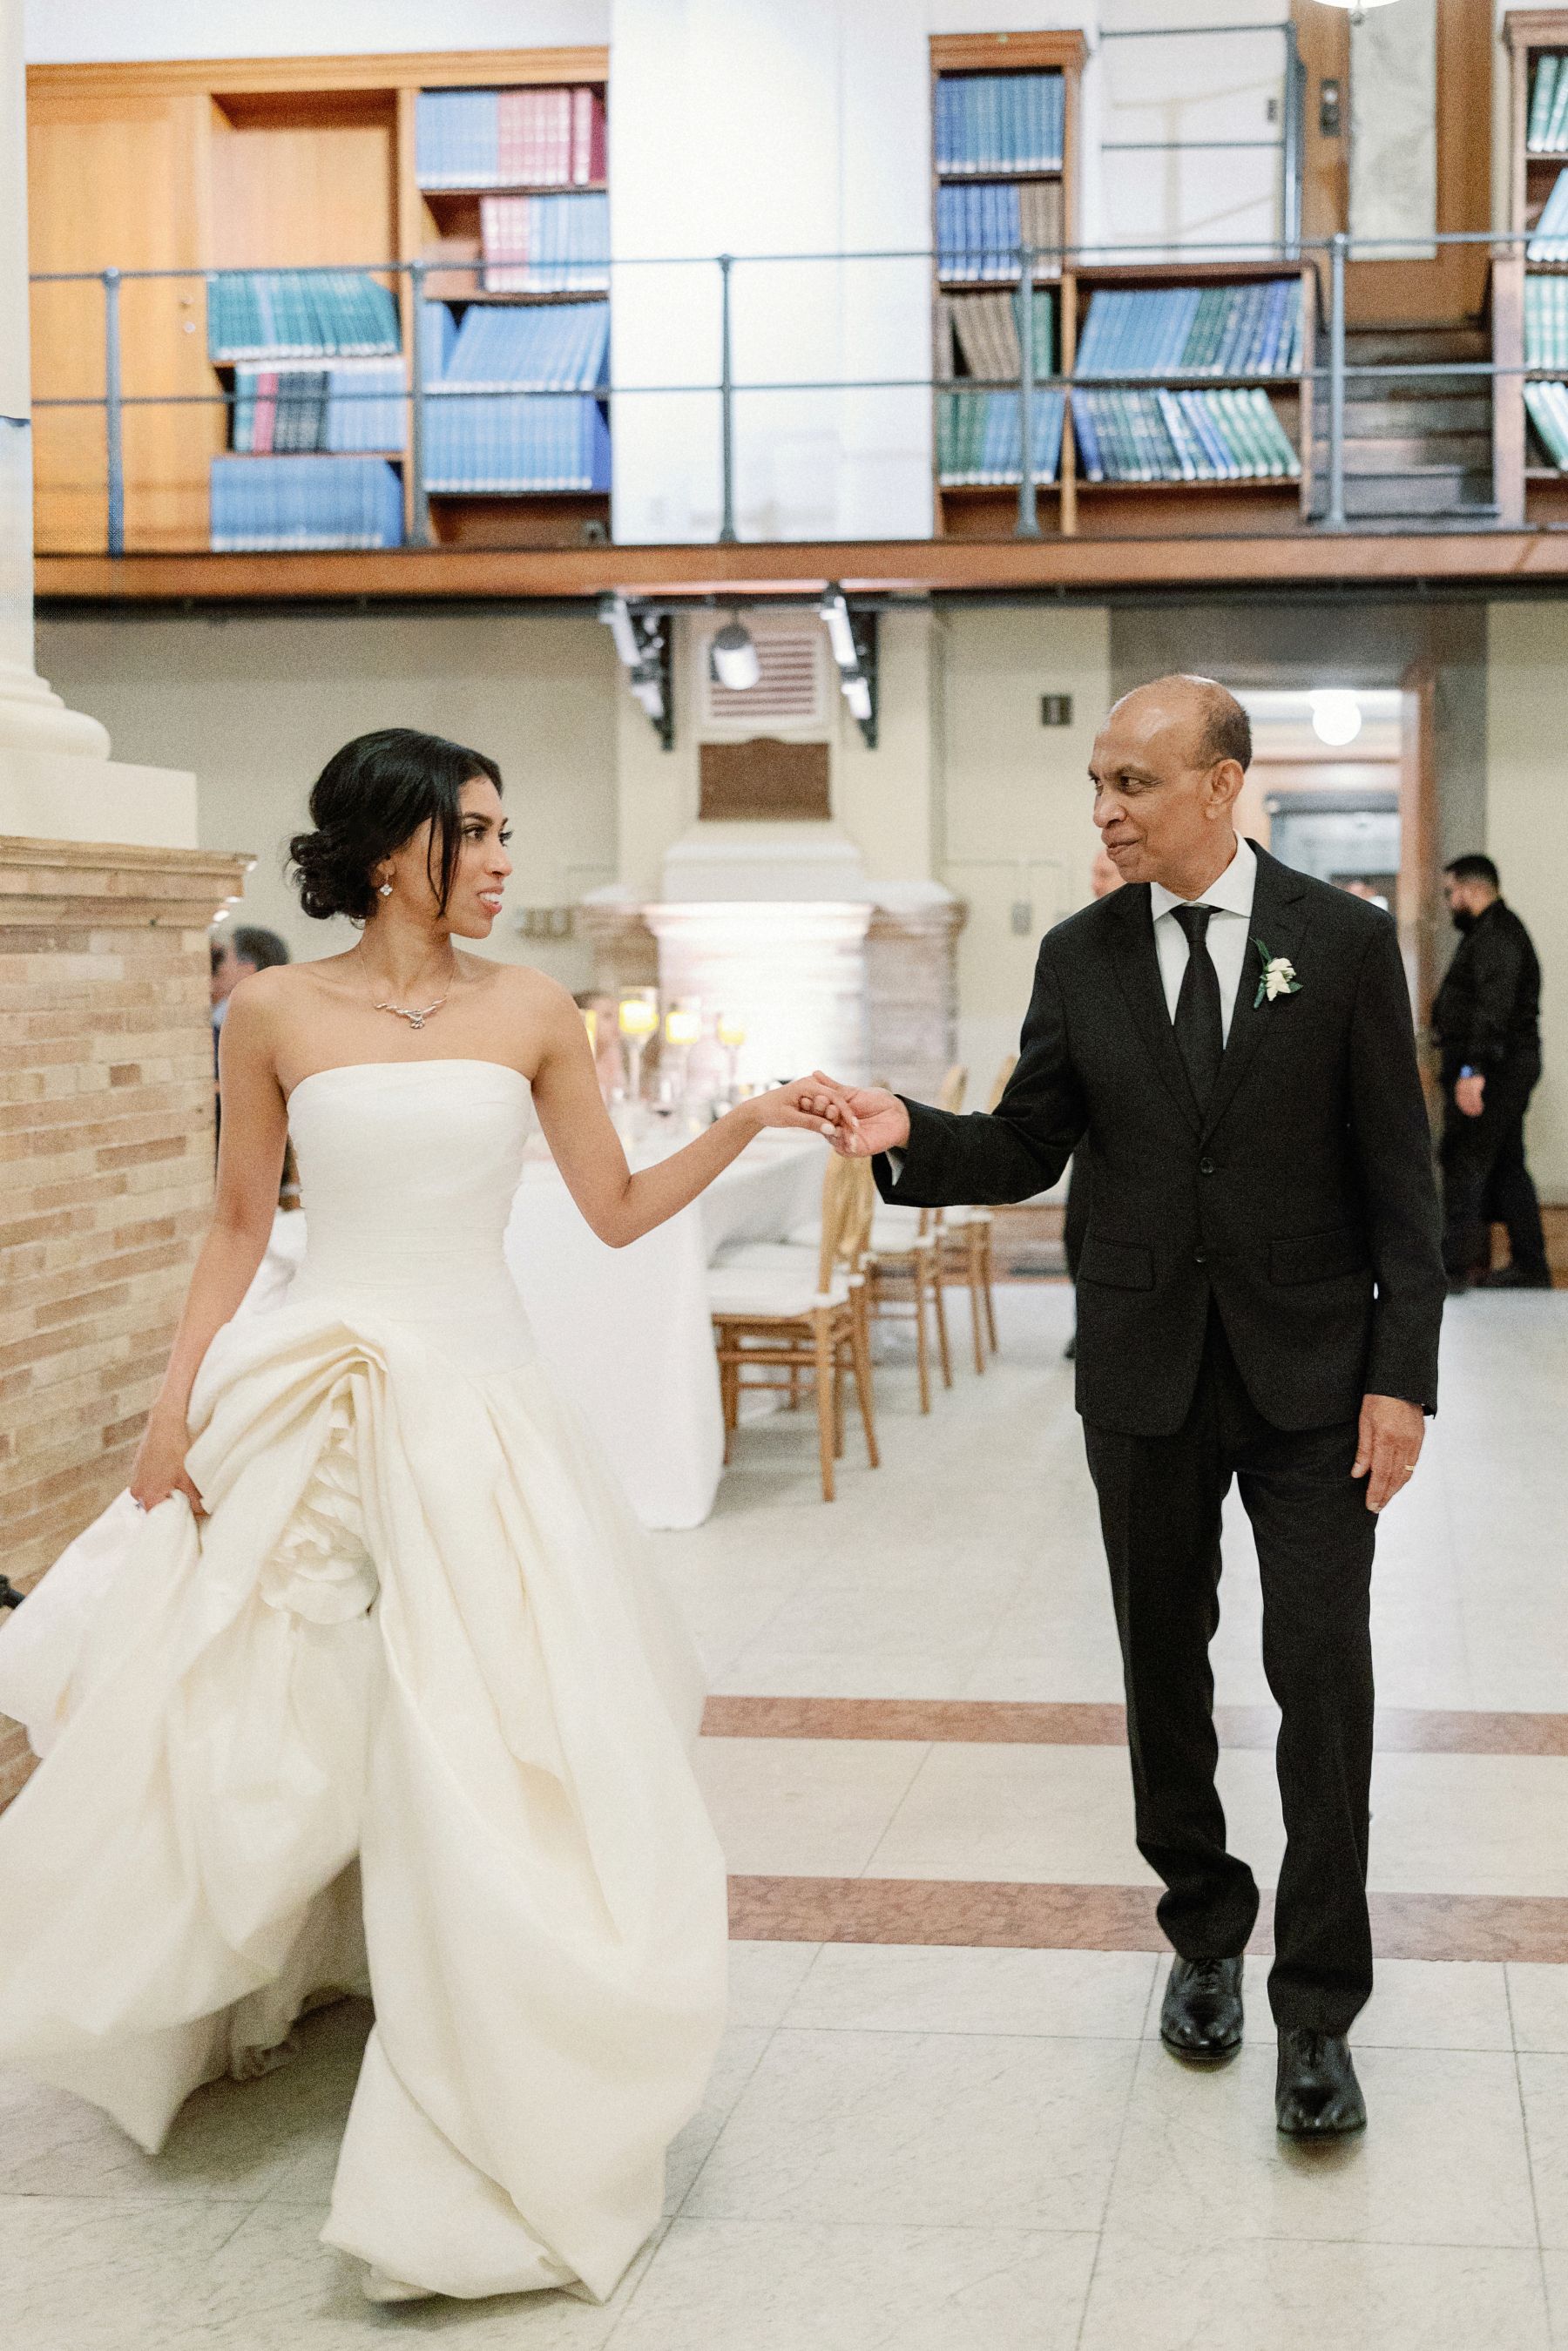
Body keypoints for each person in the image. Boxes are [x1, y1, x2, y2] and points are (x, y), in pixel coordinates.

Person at [0, 727, 843, 2308]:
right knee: (287, 1700)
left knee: (484, 1715)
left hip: (483, 1404)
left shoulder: (532, 1009)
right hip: (313, 1388)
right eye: (482, 828)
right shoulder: (270, 1007)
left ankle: (481, 2038)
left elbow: (612, 1210)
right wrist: (172, 1407)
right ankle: (277, 1966)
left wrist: (746, 1123)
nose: (509, 856)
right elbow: (243, 1220)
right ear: (397, 847)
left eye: (508, 827)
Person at [806, 676, 1445, 2140]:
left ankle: (1320, 2005)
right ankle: (1205, 1935)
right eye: (1097, 781)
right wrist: (913, 1134)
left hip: (1310, 1375)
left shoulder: (1341, 945)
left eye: (1135, 781)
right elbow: (1034, 1140)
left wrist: (1399, 1376)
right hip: (1145, 1367)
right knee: (1164, 1664)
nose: (1105, 808)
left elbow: (1401, 1184)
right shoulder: (1082, 953)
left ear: (1224, 783)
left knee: (1322, 1679)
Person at [1432, 854, 1549, 1292]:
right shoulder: (1491, 932)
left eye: (1450, 893)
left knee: (1467, 1159)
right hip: (1502, 1065)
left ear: (1470, 888)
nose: (1449, 903)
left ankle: (1454, 1268)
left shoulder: (1497, 934)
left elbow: (1493, 1007)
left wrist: (1472, 1069)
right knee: (1506, 1164)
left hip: (1495, 1068)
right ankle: (1530, 1266)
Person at [1063, 844, 1125, 1359]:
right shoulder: (1076, 947)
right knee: (1078, 1232)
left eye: (1104, 873)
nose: (1095, 882)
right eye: (1093, 871)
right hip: (1090, 1128)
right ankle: (1088, 1323)